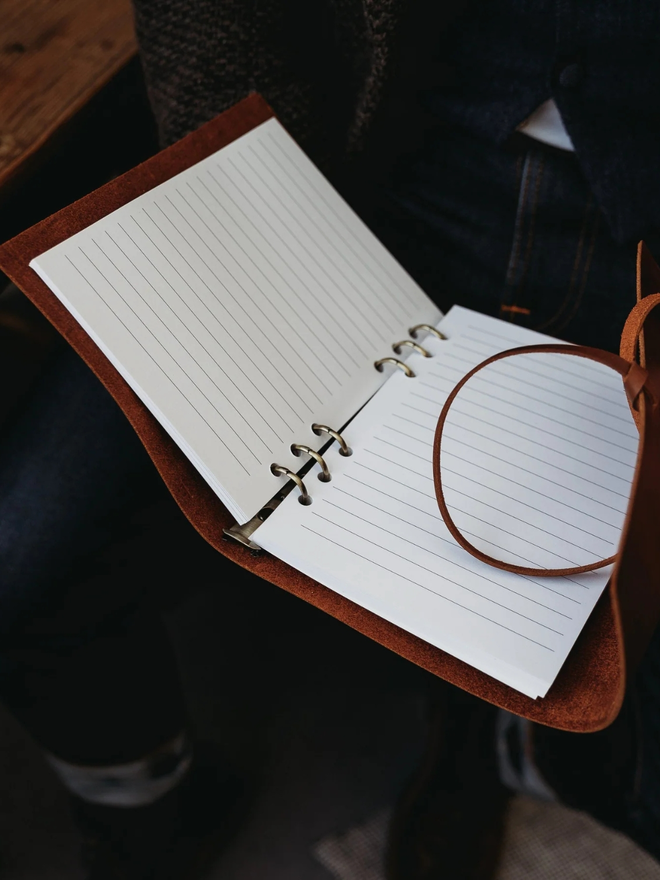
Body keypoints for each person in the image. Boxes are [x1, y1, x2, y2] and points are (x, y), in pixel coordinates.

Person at [2, 1, 659, 877]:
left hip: (636, 234)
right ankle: (153, 799)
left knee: (580, 601)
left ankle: (490, 739)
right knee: (24, 548)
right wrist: (246, 188)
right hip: (377, 170)